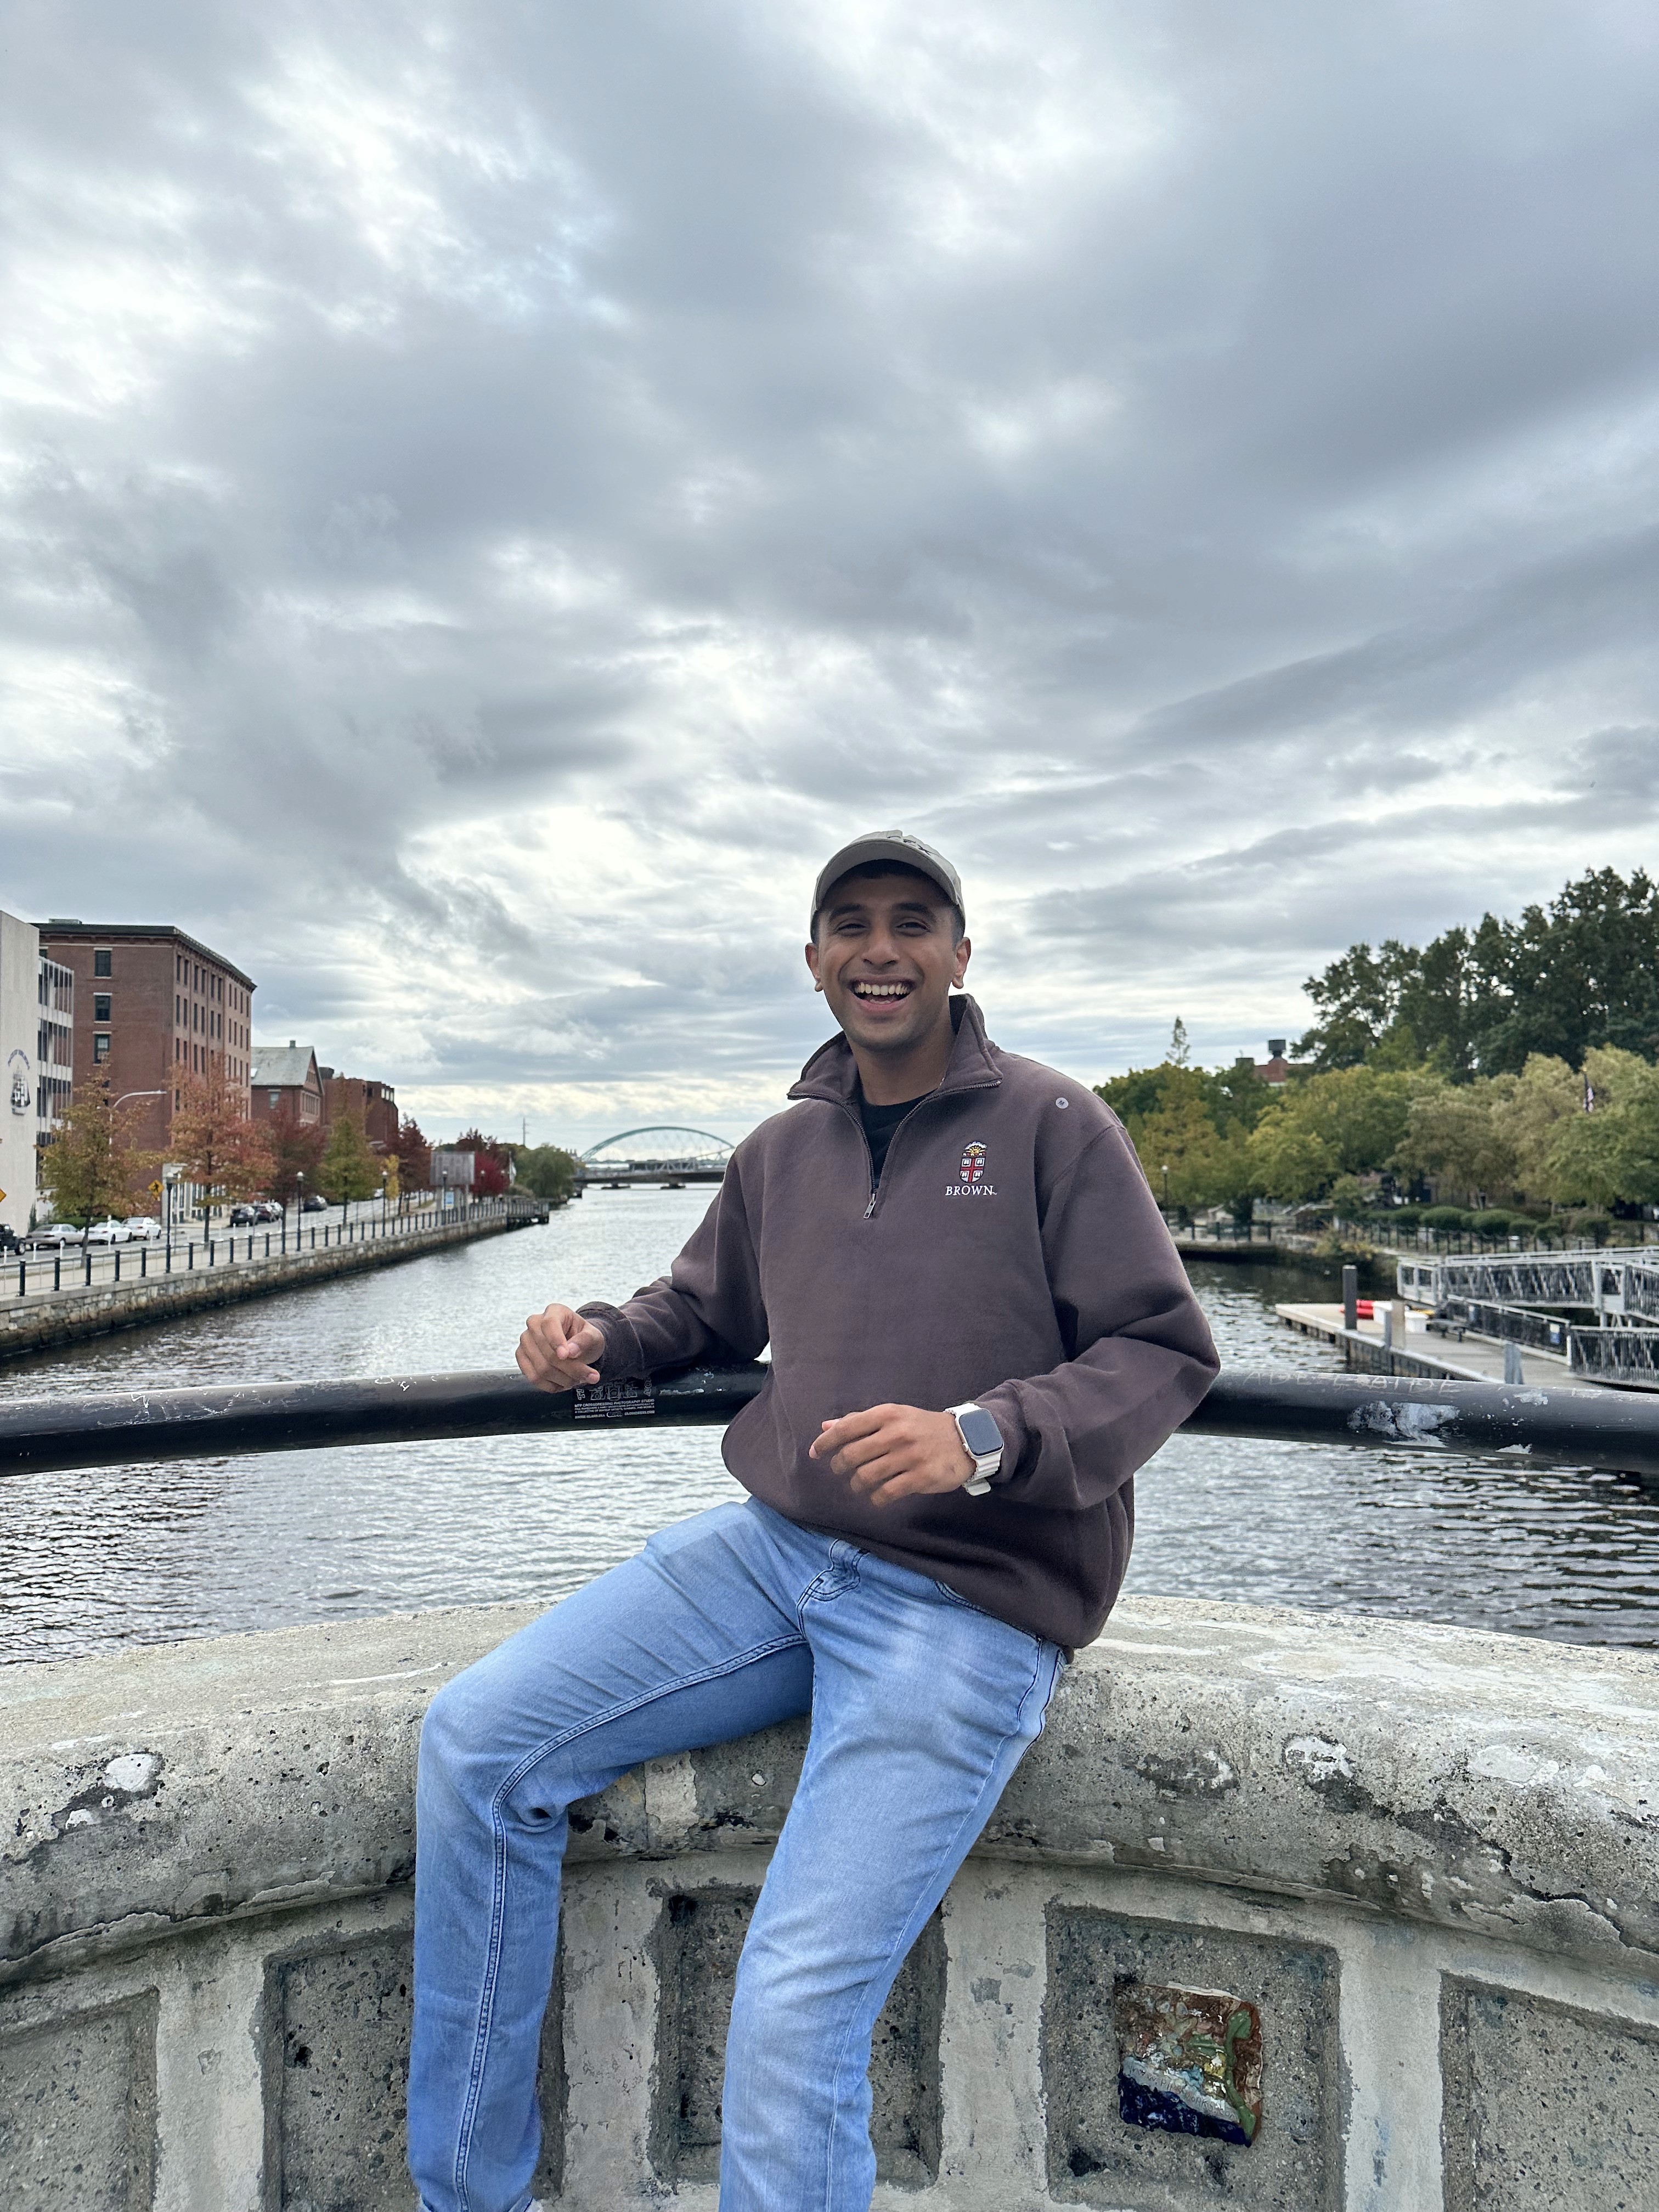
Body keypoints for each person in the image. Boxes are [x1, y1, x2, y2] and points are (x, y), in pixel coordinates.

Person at [409, 829, 1218, 2212]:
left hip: (968, 1603)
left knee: (790, 2008)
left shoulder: (1054, 1123)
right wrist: (589, 1337)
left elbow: (1161, 1349)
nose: (881, 949)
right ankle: (467, 2193)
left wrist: (979, 1437)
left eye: (914, 922)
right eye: (851, 925)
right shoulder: (780, 1149)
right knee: (478, 1747)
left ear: (962, 956)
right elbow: (702, 1312)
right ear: (814, 961)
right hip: (779, 1561)